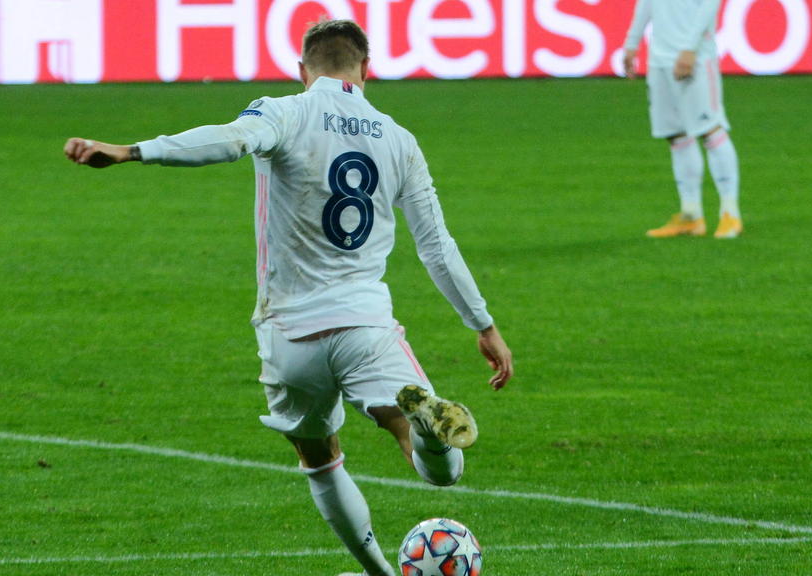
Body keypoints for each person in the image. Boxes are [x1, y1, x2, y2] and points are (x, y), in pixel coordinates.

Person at [63, 19, 513, 576]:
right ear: (366, 70)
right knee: (438, 469)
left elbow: (227, 140)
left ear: (303, 70)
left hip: (289, 334)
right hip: (365, 327)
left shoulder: (283, 112)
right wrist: (483, 324)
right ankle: (426, 430)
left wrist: (131, 151)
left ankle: (378, 572)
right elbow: (436, 247)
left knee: (320, 461)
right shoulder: (399, 140)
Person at [623, 0, 743, 238]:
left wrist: (690, 48)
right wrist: (631, 42)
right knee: (676, 135)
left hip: (695, 58)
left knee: (711, 130)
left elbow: (710, 4)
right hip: (659, 58)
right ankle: (691, 215)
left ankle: (730, 213)